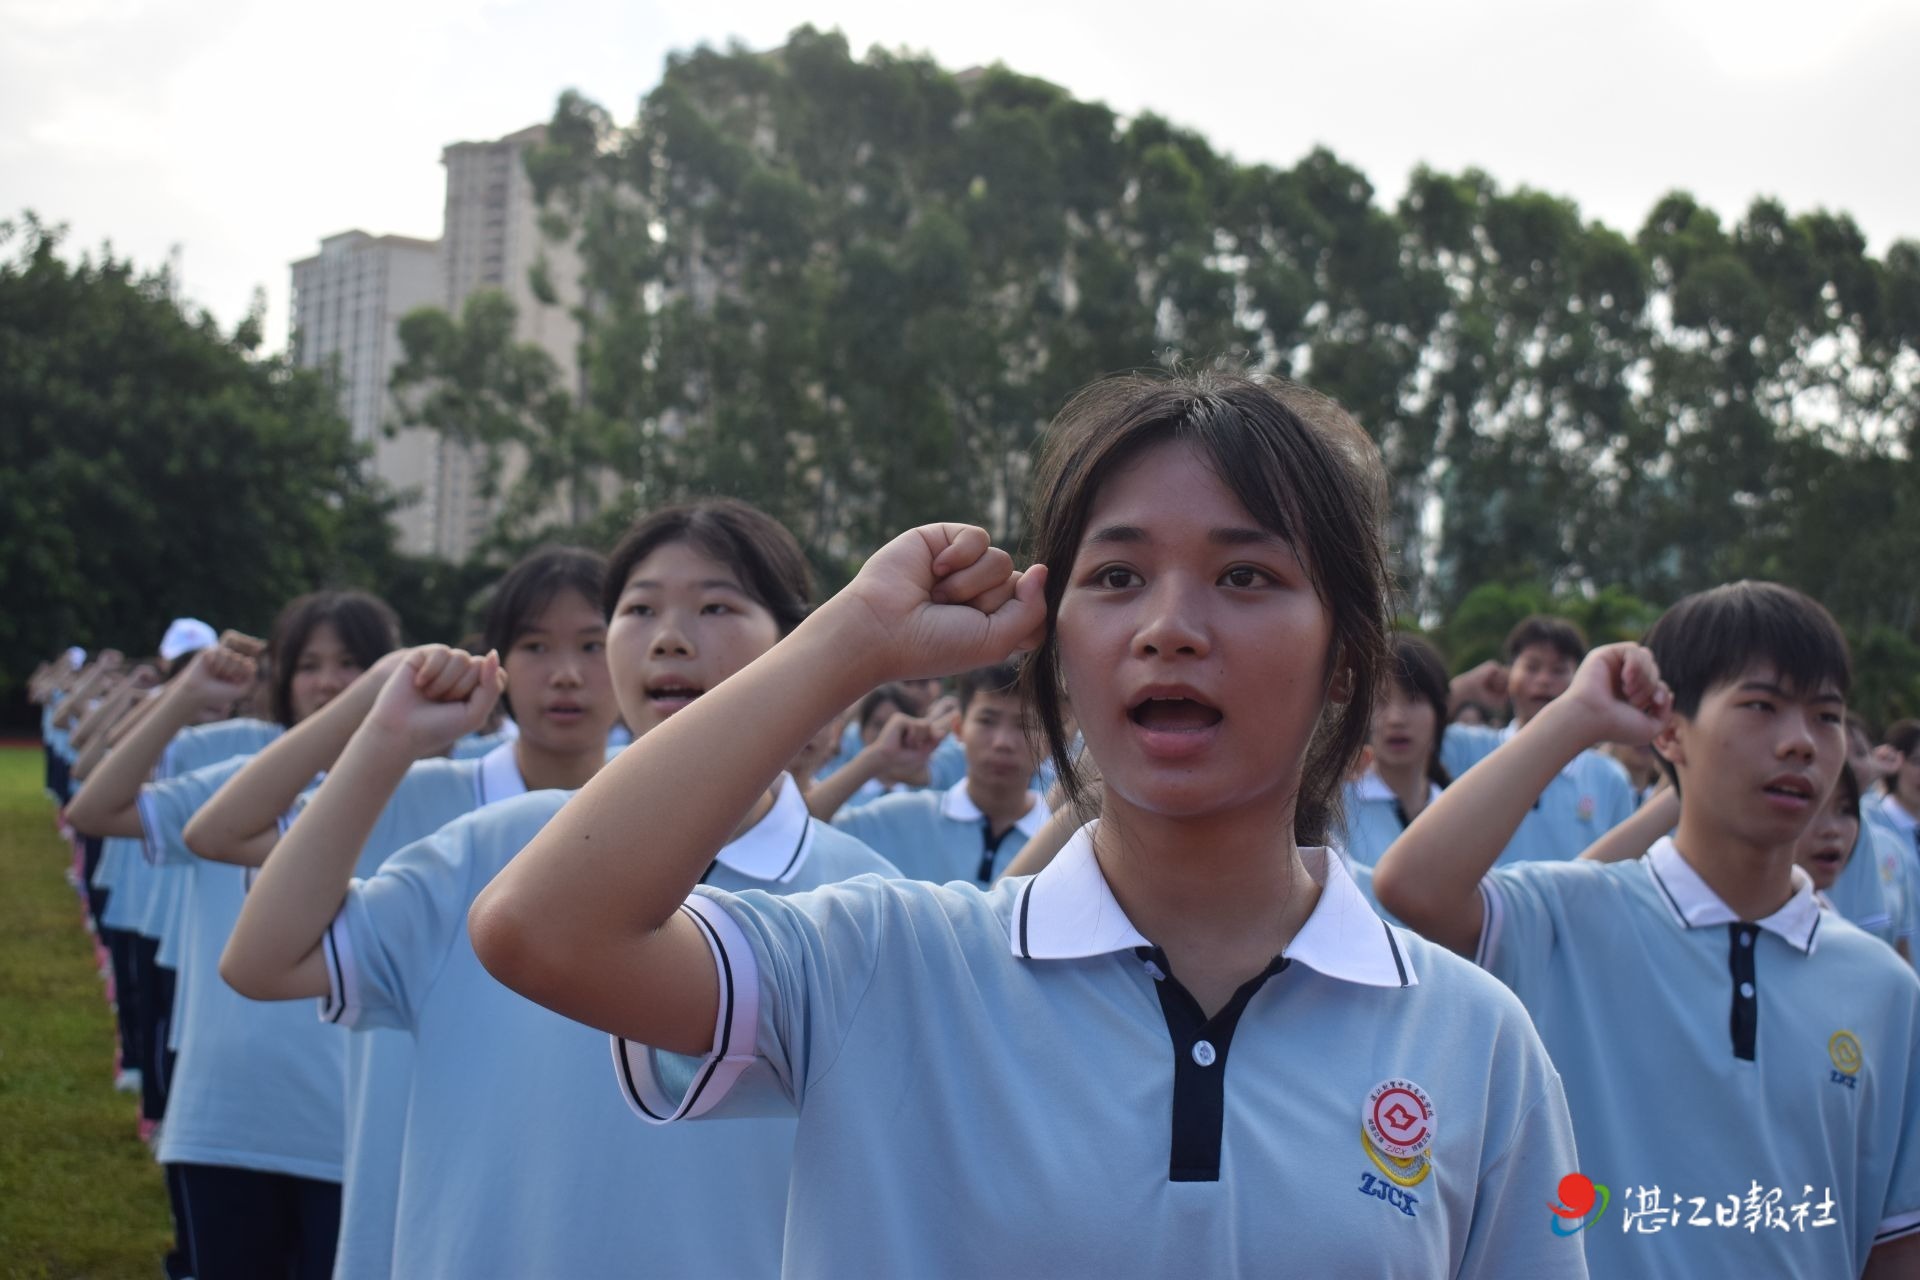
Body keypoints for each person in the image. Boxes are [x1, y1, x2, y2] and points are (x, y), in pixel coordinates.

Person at [472, 371, 1583, 1277]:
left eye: (1245, 574)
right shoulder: (885, 964)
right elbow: (542, 926)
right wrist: (852, 638)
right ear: (1054, 645)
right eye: (1116, 575)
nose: (1169, 626)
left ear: (1348, 656)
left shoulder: (1473, 1039)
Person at [219, 501, 894, 1279]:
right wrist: (386, 737)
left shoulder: (861, 898)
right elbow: (262, 961)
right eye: (638, 609)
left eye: (716, 605)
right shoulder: (499, 849)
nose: (670, 636)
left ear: (797, 641)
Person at [1375, 581, 1920, 1278]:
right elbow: (1411, 885)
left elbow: (1896, 1245)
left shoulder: (1883, 989)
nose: (1799, 743)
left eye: (1827, 715)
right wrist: (1576, 715)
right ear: (1668, 731)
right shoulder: (1572, 918)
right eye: (1761, 706)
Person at [186, 547, 614, 1279]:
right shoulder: (415, 791)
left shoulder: (663, 820)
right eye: (536, 646)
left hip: (581, 1182)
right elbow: (219, 833)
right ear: (499, 662)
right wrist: (373, 709)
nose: (566, 673)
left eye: (592, 645)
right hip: (414, 1175)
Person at [65, 592, 402, 1280]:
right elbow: (94, 808)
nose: (330, 682)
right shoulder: (243, 779)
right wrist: (186, 694)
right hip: (229, 1115)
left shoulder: (424, 789)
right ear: (282, 678)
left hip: (358, 1128)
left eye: (352, 664)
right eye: (310, 665)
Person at [831, 661, 1051, 883]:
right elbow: (805, 828)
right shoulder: (906, 816)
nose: (1002, 742)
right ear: (958, 728)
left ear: (1050, 739)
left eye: (1025, 725)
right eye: (987, 721)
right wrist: (876, 758)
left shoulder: (1065, 839)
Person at [1444, 617, 1636, 861]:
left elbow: (1621, 868)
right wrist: (1465, 688)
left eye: (1559, 670)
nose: (1544, 680)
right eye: (1532, 667)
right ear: (1509, 673)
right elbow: (1411, 731)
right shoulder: (1469, 749)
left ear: (1580, 680)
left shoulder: (1609, 778)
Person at [1336, 635, 1451, 868]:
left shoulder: (1460, 812)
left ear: (1440, 712)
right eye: (1380, 700)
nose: (1396, 718)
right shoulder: (1334, 808)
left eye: (1414, 699)